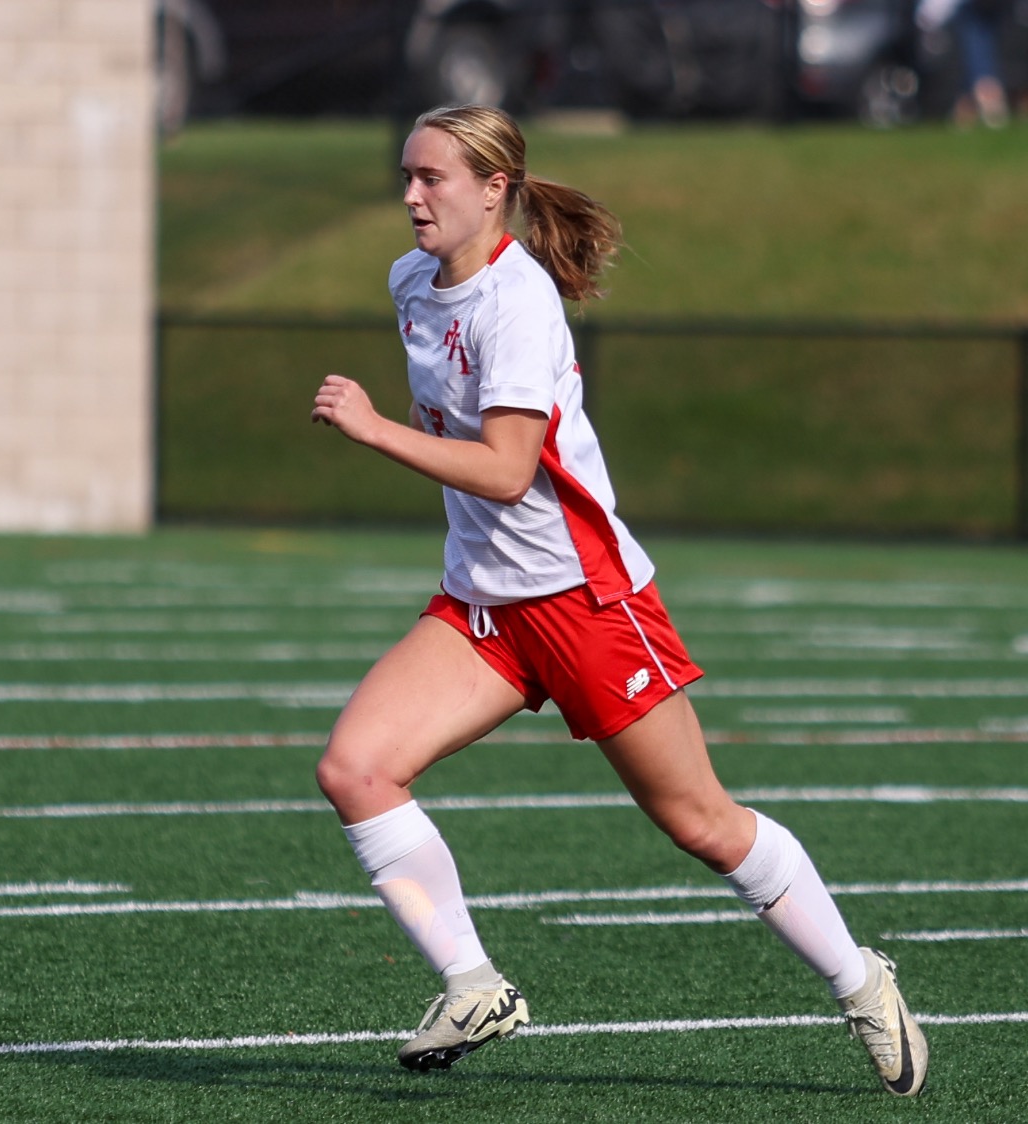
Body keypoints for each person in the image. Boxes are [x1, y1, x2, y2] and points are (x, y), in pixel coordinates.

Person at [308, 105, 926, 1093]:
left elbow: (509, 470)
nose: (411, 196)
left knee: (699, 821)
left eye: (432, 178)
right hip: (485, 606)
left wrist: (376, 430)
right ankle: (470, 980)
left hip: (584, 598)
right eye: (407, 175)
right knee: (355, 768)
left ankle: (859, 980)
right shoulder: (407, 282)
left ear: (492, 189)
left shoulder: (518, 301)